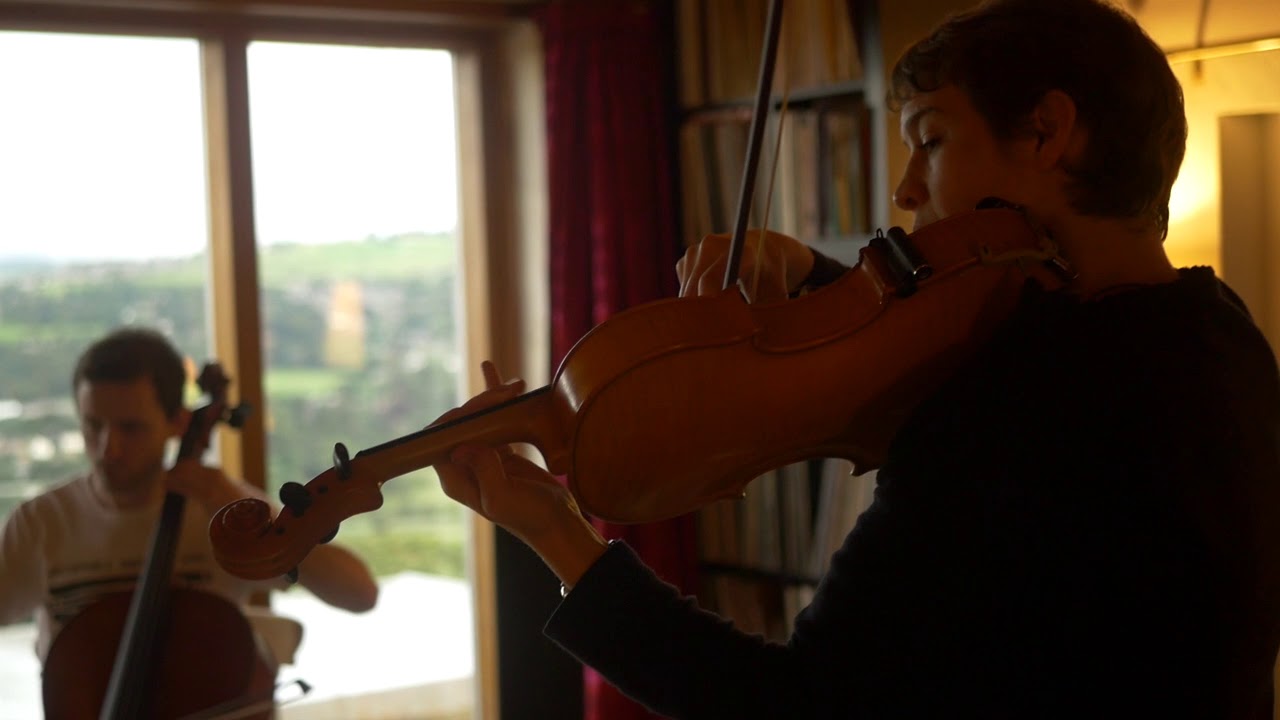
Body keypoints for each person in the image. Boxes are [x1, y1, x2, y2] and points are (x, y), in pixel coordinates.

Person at [431, 0, 1280, 717]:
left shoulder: (1003, 408)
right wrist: (812, 273)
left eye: (930, 138)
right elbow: (954, 330)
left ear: (1046, 131)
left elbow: (792, 704)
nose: (906, 190)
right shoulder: (1221, 336)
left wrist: (555, 531)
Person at [0, 327, 378, 677]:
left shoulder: (224, 510)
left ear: (178, 423)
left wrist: (236, 507)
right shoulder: (41, 522)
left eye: (131, 428)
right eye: (93, 425)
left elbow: (360, 594)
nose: (108, 448)